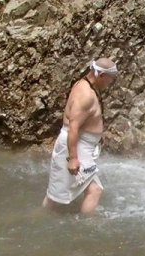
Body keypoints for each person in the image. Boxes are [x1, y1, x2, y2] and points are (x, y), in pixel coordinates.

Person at [43, 58, 117, 215]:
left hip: (82, 146)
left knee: (58, 195)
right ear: (101, 75)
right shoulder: (85, 95)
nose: (110, 84)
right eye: (110, 79)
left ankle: (43, 217)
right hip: (75, 147)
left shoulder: (84, 84)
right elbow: (73, 127)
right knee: (91, 191)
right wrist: (74, 158)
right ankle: (87, 227)